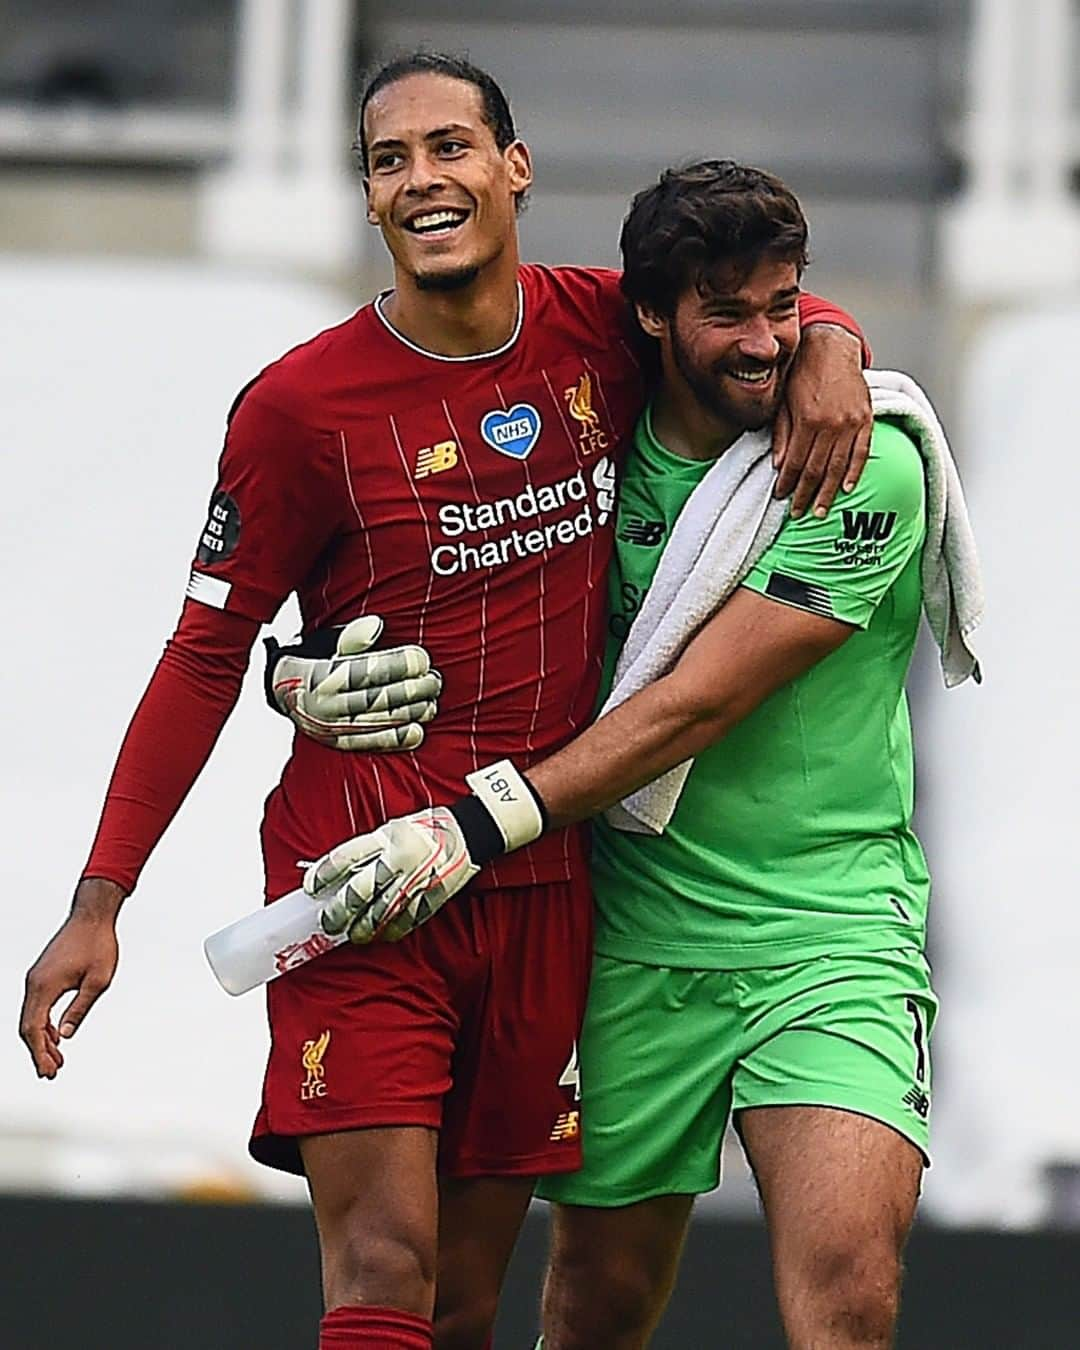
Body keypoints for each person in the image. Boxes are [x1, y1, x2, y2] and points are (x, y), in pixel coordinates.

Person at [18, 54, 871, 1350]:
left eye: (451, 147)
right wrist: (101, 898)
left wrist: (836, 355)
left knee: (465, 1303)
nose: (424, 178)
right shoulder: (301, 408)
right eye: (390, 159)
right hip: (360, 880)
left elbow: (757, 311)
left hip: (537, 885)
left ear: (513, 167)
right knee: (383, 1261)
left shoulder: (600, 326)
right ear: (369, 198)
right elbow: (204, 651)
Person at [297, 160, 965, 1350]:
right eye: (730, 314)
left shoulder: (866, 465)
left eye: (786, 308)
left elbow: (691, 710)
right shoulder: (579, 453)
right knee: (595, 1305)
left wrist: (473, 825)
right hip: (630, 940)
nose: (768, 342)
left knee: (850, 1299)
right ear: (649, 315)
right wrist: (294, 676)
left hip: (830, 933)